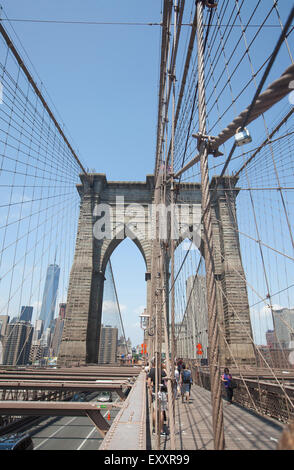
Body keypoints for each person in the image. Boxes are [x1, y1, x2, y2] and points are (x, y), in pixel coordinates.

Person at [147, 358, 168, 435]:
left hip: (155, 391)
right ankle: (161, 430)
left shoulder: (152, 370)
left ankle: (155, 429)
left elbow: (149, 381)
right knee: (162, 412)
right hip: (162, 391)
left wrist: (150, 388)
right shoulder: (162, 371)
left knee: (155, 411)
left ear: (153, 363)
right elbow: (166, 379)